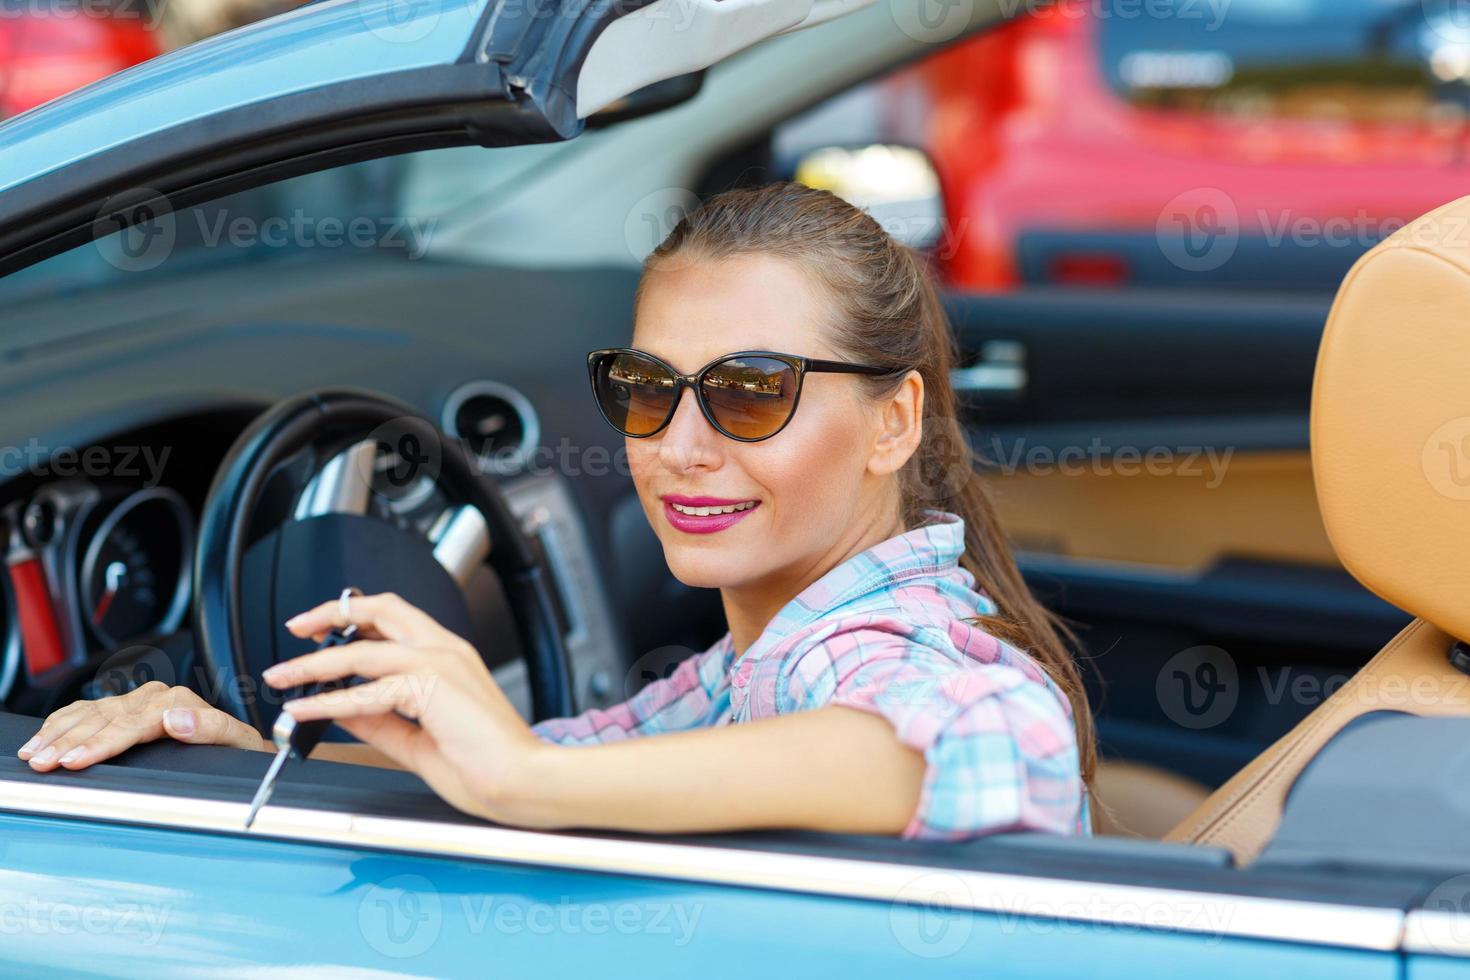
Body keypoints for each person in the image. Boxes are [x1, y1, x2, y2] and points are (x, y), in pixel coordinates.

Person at [18, 182, 1095, 839]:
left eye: (751, 391)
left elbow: (997, 733)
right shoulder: (752, 660)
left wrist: (526, 776)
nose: (675, 447)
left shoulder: (875, 645)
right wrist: (234, 745)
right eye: (645, 386)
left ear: (892, 423)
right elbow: (573, 754)